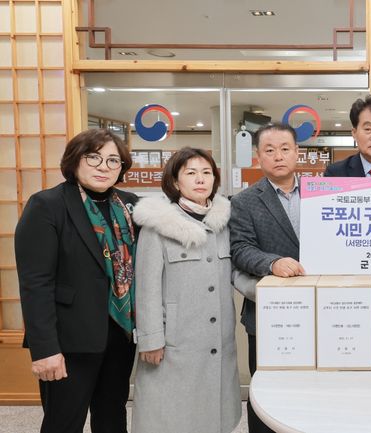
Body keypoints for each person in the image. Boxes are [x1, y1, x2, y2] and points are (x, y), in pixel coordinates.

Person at [15, 129, 138, 433]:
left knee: (112, 419)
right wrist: (45, 350)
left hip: (120, 335)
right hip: (68, 341)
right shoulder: (47, 205)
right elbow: (36, 284)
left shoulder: (131, 205)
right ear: (75, 160)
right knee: (63, 423)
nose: (104, 166)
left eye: (113, 160)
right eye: (93, 157)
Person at [131, 147, 241, 433]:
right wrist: (150, 339)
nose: (200, 179)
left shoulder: (223, 224)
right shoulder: (158, 226)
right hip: (175, 342)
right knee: (171, 416)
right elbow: (146, 287)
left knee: (214, 416)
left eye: (206, 172)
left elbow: (236, 274)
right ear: (175, 181)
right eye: (191, 173)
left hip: (217, 341)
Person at [229, 122, 305, 433]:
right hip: (270, 314)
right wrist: (272, 263)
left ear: (297, 152)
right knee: (266, 395)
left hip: (323, 309)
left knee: (313, 392)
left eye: (285, 148)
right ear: (258, 157)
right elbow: (240, 249)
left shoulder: (324, 193)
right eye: (269, 150)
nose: (278, 156)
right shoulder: (244, 201)